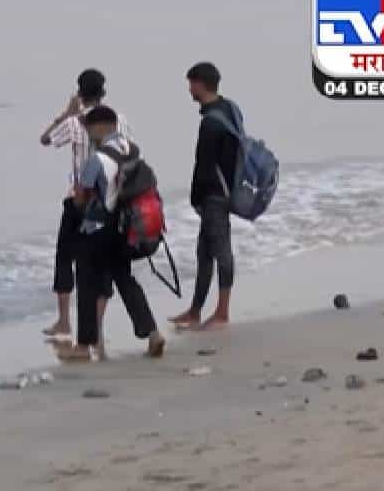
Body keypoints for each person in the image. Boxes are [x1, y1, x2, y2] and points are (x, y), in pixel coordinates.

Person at [58, 106, 166, 361]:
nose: (87, 132)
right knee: (125, 280)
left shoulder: (97, 160)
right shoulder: (132, 149)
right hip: (126, 227)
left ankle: (84, 346)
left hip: (100, 228)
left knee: (86, 282)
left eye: (88, 128)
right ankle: (152, 333)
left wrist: (76, 204)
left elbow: (82, 198)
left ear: (100, 126)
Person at [38, 69, 130, 339]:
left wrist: (66, 113)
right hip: (109, 200)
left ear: (80, 92)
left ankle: (64, 320)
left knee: (65, 257)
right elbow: (130, 150)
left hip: (78, 198)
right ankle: (97, 325)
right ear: (104, 91)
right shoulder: (119, 120)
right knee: (100, 262)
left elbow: (45, 140)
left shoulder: (75, 123)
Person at [170, 62, 237, 331]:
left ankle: (222, 311)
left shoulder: (211, 123)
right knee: (204, 252)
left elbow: (204, 165)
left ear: (199, 84)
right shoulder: (230, 108)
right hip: (225, 191)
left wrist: (195, 200)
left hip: (214, 196)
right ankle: (196, 311)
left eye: (190, 83)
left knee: (221, 252)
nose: (189, 89)